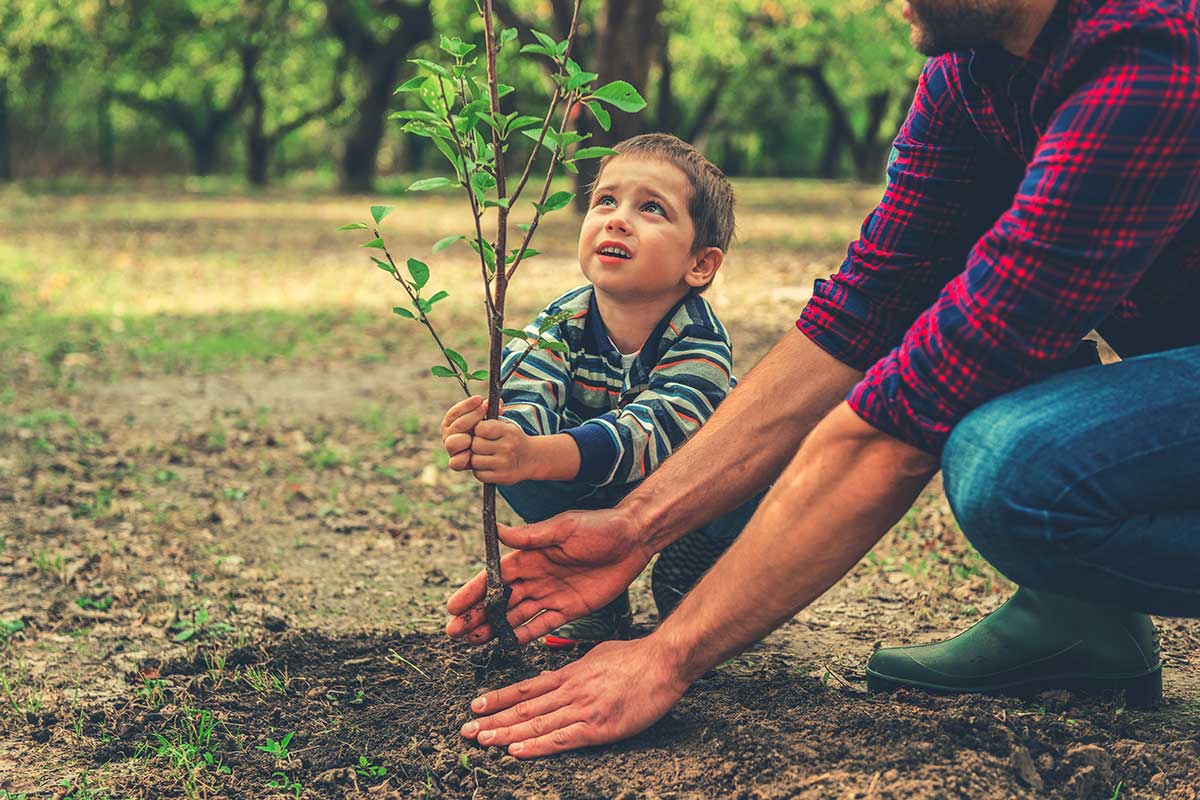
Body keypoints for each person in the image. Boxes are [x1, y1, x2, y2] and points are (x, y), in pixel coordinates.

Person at [442, 0, 1200, 759]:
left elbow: (905, 420)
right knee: (980, 340)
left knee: (1014, 468)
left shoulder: (1152, 51)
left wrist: (667, 654)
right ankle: (1084, 620)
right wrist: (635, 525)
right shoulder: (968, 74)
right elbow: (863, 311)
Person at [440, 133, 763, 648]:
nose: (617, 218)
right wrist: (501, 438)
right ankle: (597, 593)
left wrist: (544, 453)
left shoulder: (700, 337)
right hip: (591, 482)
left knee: (752, 475)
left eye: (652, 208)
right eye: (605, 201)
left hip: (685, 491)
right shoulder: (562, 320)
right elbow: (528, 388)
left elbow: (655, 432)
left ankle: (698, 571)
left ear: (699, 263)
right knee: (519, 468)